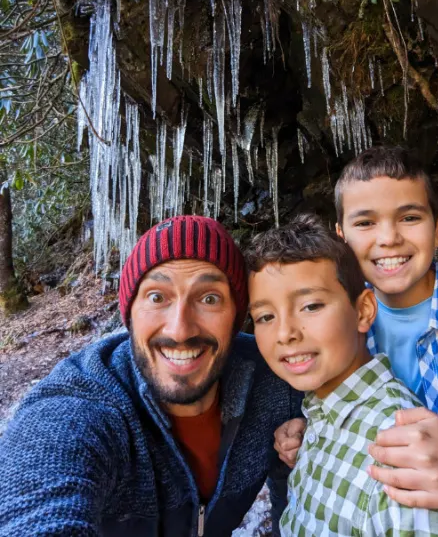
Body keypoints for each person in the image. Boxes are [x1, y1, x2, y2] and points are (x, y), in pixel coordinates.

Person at [0, 215, 301, 537]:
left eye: (209, 298)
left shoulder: (276, 376)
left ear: (236, 316)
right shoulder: (81, 403)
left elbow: (293, 485)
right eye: (157, 297)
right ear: (129, 314)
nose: (180, 329)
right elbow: (35, 503)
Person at [274, 146, 438, 535]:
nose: (389, 239)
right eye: (365, 223)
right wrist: (314, 434)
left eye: (410, 217)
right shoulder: (332, 316)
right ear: (341, 236)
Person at [246, 214, 438, 535]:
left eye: (311, 306)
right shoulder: (320, 414)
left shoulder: (402, 470)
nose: (285, 333)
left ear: (363, 311)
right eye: (265, 316)